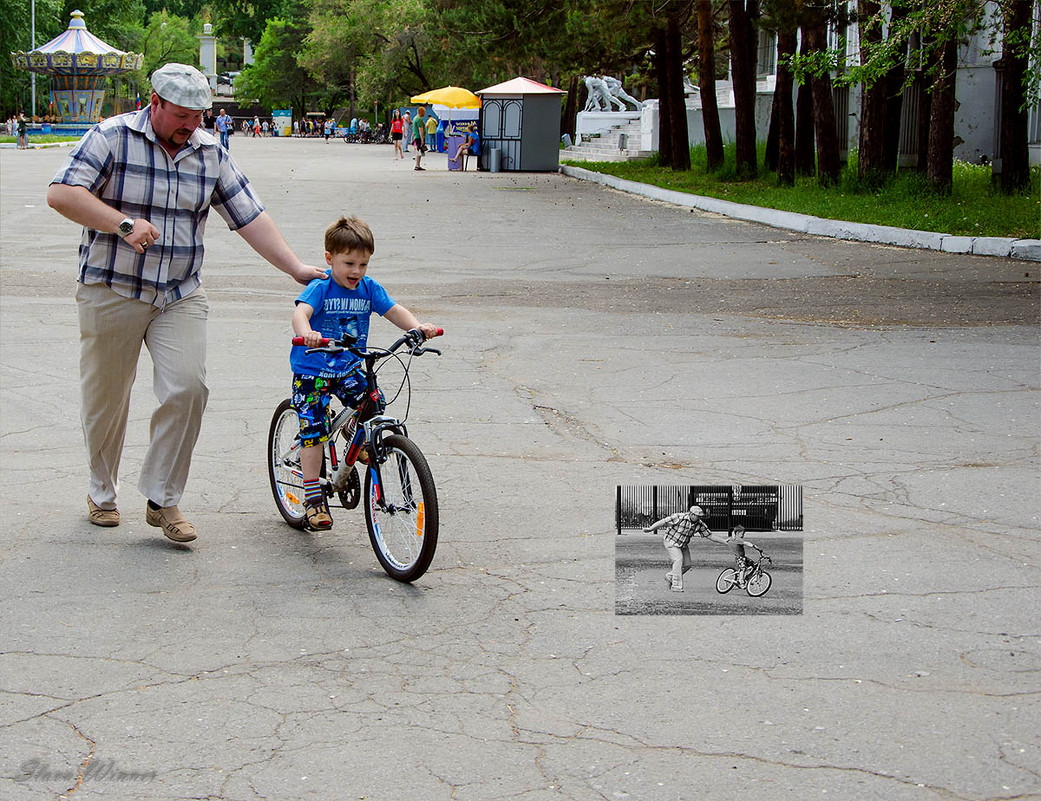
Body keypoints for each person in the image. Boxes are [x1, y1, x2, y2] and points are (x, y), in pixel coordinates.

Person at [46, 62, 325, 544]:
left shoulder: (210, 152)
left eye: (199, 115)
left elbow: (249, 216)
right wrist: (122, 224)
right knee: (106, 400)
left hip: (179, 292)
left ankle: (163, 498)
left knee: (189, 389)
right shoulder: (110, 138)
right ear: (153, 102)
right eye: (182, 115)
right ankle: (101, 491)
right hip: (111, 288)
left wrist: (295, 267)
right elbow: (61, 194)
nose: (191, 125)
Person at [290, 216, 439, 530]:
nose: (356, 271)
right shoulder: (321, 287)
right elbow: (300, 313)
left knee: (375, 403)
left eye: (363, 264)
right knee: (314, 431)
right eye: (349, 263)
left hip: (347, 366)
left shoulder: (369, 289)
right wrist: (308, 333)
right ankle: (314, 497)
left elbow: (394, 310)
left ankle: (352, 435)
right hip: (312, 368)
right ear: (329, 259)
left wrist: (417, 328)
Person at [412, 106, 427, 171]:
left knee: (419, 150)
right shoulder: (419, 119)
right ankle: (417, 165)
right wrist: (422, 139)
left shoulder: (415, 118)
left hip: (416, 136)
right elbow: (420, 129)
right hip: (418, 137)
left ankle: (418, 165)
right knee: (419, 151)